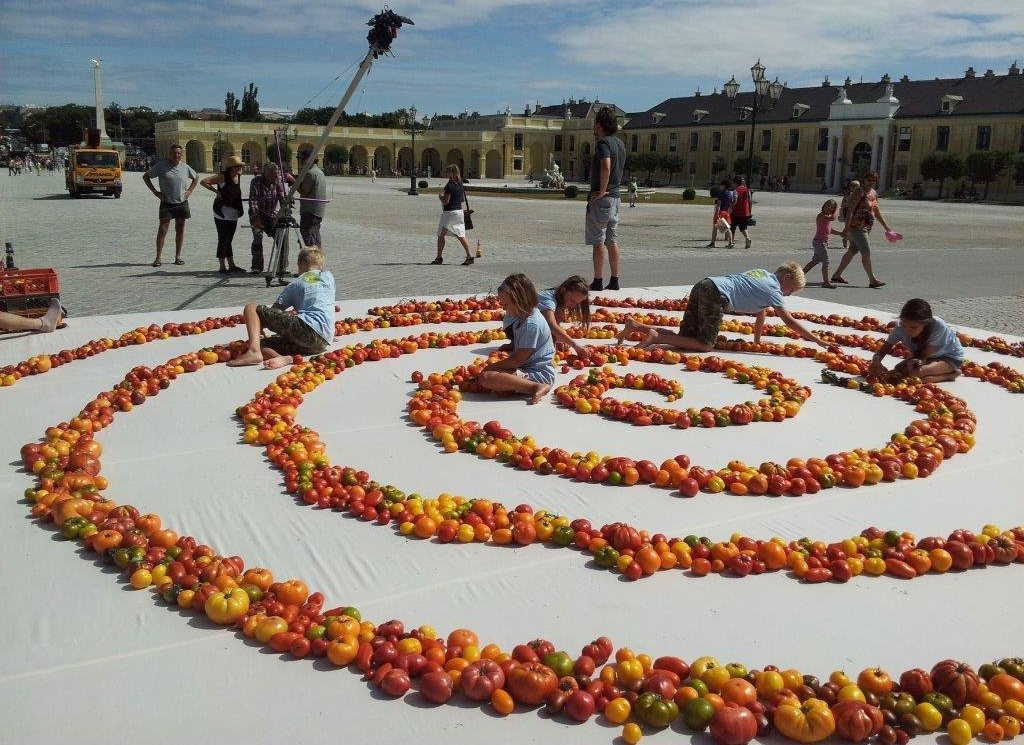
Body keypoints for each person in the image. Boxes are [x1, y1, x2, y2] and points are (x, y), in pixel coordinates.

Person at [615, 263, 829, 351]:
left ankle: (637, 325)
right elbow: (789, 321)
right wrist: (817, 340)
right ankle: (657, 337)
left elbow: (761, 312)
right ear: (786, 277)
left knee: (686, 338)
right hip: (716, 296)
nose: (789, 294)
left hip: (704, 284)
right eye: (791, 289)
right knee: (705, 344)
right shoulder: (774, 289)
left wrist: (756, 341)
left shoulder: (763, 275)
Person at [227, 246, 335, 370]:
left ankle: (254, 351)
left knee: (252, 308)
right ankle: (283, 358)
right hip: (321, 343)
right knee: (261, 343)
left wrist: (259, 326)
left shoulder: (296, 284)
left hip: (306, 330)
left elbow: (274, 311)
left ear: (299, 265)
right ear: (321, 266)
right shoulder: (328, 277)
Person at [476, 273, 555, 404]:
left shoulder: (532, 324)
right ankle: (515, 386)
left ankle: (536, 387)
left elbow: (517, 360)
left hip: (540, 374)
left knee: (486, 377)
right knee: (495, 381)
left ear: (520, 301)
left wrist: (490, 367)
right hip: (529, 368)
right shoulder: (524, 317)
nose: (504, 307)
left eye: (506, 303)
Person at [867, 298, 964, 383]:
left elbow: (924, 356)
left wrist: (915, 363)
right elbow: (883, 350)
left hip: (949, 357)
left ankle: (950, 374)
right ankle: (932, 373)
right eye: (905, 325)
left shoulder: (938, 326)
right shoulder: (900, 327)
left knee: (915, 374)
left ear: (925, 323)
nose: (908, 330)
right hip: (926, 357)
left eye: (914, 327)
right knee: (898, 369)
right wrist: (876, 362)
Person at [501, 275, 591, 356]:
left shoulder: (557, 298)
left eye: (577, 303)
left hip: (520, 326)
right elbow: (552, 325)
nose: (573, 305)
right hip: (512, 326)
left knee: (559, 314)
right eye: (572, 300)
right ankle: (522, 344)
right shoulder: (548, 300)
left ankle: (520, 343)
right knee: (558, 315)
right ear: (563, 290)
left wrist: (560, 338)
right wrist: (575, 345)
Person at [587, 106, 627, 291]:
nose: (594, 128)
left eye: (595, 124)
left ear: (600, 125)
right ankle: (615, 279)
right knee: (612, 240)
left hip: (603, 199)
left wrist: (601, 190)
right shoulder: (620, 144)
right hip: (616, 198)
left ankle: (597, 280)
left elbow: (606, 165)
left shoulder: (603, 143)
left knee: (598, 241)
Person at [832, 170, 890, 288]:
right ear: (864, 180)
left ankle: (836, 275)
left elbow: (876, 210)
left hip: (866, 227)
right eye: (869, 180)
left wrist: (885, 226)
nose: (871, 182)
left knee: (852, 251)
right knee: (866, 252)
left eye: (874, 180)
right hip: (857, 227)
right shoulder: (859, 192)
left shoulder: (873, 193)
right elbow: (850, 211)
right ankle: (872, 279)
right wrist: (846, 228)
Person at [143, 144, 199, 267]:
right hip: (166, 203)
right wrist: (155, 192)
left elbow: (196, 177)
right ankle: (158, 257)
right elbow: (146, 176)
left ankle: (178, 256)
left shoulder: (185, 167)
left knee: (180, 229)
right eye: (174, 153)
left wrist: (190, 190)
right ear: (169, 154)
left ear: (181, 155)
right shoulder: (161, 166)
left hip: (182, 202)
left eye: (178, 153)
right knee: (163, 230)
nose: (176, 155)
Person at [200, 155, 246, 273]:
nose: (240, 167)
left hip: (233, 213)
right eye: (237, 166)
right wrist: (217, 192)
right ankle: (222, 266)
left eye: (240, 165)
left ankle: (231, 264)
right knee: (223, 238)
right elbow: (204, 182)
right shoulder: (223, 176)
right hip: (222, 212)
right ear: (230, 167)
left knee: (229, 239)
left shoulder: (238, 176)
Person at [430, 164, 474, 266]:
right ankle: (469, 256)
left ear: (450, 173)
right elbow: (462, 200)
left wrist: (440, 197)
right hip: (459, 212)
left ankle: (439, 257)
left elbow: (446, 201)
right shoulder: (460, 184)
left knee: (441, 235)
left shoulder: (449, 185)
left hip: (449, 213)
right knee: (461, 235)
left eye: (447, 172)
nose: (446, 174)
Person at [248, 162, 286, 275]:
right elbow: (253, 201)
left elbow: (281, 196)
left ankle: (281, 267)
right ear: (266, 173)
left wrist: (284, 208)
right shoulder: (256, 182)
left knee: (281, 239)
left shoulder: (277, 181)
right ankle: (256, 266)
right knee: (258, 238)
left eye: (277, 174)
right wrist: (256, 218)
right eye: (274, 174)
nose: (276, 176)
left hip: (272, 215)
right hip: (258, 215)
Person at [804, 199, 842, 288]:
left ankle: (798, 275)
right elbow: (833, 218)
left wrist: (840, 233)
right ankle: (826, 282)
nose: (829, 208)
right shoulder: (821, 215)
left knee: (815, 261)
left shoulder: (827, 217)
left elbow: (829, 230)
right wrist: (838, 209)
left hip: (822, 242)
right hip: (819, 242)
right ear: (824, 206)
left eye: (832, 207)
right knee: (826, 261)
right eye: (828, 205)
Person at [296, 150, 327, 248]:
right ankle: (318, 259)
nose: (300, 161)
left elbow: (304, 192)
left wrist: (293, 182)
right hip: (317, 210)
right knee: (315, 237)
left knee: (309, 237)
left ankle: (312, 260)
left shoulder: (310, 173)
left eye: (301, 158)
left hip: (310, 210)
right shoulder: (319, 172)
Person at [706, 180, 735, 248]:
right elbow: (731, 204)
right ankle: (731, 242)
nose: (720, 186)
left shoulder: (721, 193)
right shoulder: (729, 194)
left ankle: (713, 243)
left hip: (721, 212)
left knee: (715, 227)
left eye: (721, 185)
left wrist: (717, 213)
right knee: (726, 228)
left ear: (724, 186)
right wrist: (729, 212)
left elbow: (718, 205)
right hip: (726, 213)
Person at [730, 175, 753, 249]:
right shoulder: (747, 190)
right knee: (743, 227)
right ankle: (747, 238)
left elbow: (735, 201)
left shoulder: (736, 190)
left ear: (736, 183)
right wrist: (749, 211)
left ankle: (731, 242)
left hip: (736, 212)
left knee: (732, 227)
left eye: (733, 183)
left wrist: (731, 208)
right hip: (745, 212)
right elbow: (750, 201)